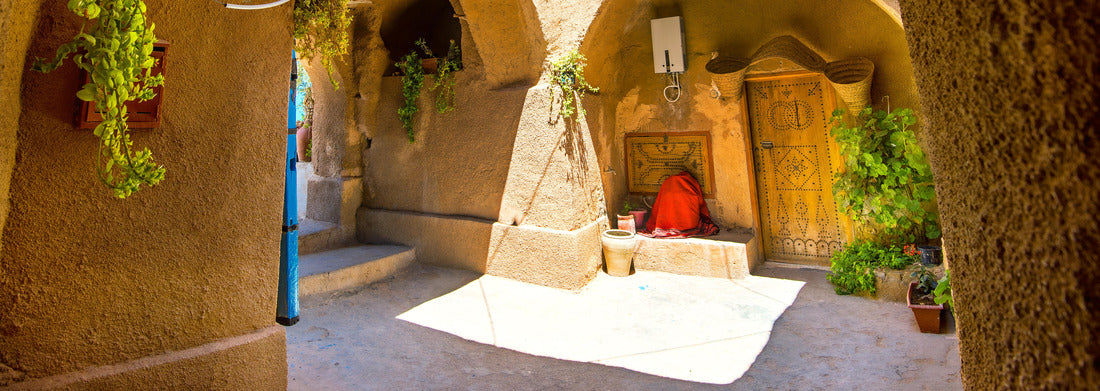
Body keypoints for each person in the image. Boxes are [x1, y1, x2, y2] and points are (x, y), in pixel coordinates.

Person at [639, 171, 720, 238]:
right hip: (690, 226)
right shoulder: (689, 186)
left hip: (666, 225)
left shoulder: (668, 184)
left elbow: (657, 210)